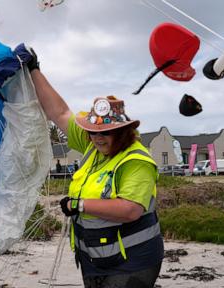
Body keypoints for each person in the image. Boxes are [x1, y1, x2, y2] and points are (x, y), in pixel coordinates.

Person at [19, 45, 163, 288]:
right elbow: (60, 112)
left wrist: (79, 205)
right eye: (94, 132)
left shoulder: (136, 160)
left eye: (106, 133)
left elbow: (130, 210)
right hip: (95, 259)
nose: (98, 138)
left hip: (133, 260)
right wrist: (34, 69)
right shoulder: (93, 145)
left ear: (123, 131)